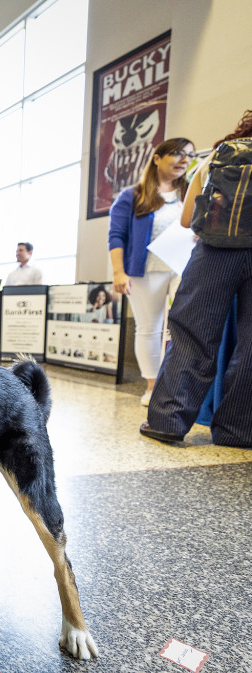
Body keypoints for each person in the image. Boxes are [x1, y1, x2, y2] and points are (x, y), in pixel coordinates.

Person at [142, 111, 252, 447]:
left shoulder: (218, 156)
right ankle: (239, 431)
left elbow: (188, 219)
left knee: (191, 335)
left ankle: (168, 421)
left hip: (214, 253)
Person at [108, 137, 195, 406]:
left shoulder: (191, 192)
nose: (184, 160)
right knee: (149, 328)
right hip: (145, 272)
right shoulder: (132, 196)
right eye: (178, 154)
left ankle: (178, 386)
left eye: (189, 156)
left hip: (184, 268)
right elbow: (117, 235)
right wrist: (118, 272)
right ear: (157, 158)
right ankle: (152, 386)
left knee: (184, 328)